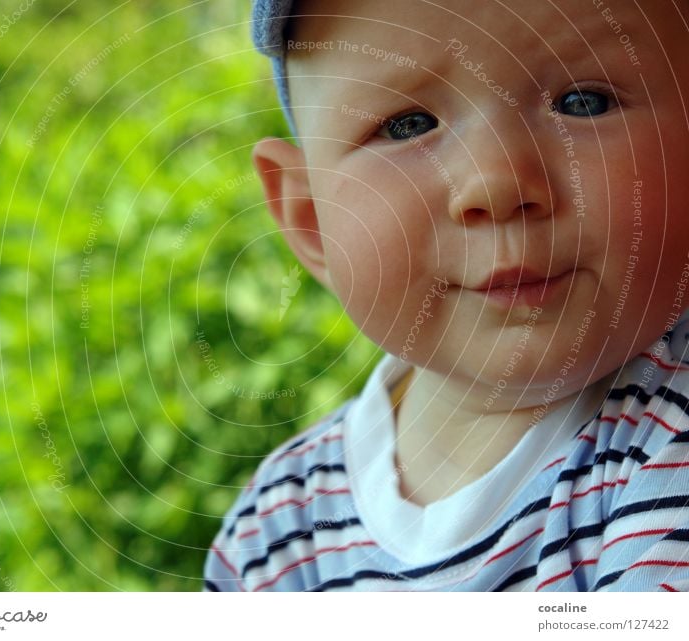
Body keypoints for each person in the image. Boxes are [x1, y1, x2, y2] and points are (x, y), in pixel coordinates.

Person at [204, 0, 689, 591]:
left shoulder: (665, 445)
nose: (498, 180)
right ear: (311, 221)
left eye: (582, 102)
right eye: (408, 125)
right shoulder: (273, 534)